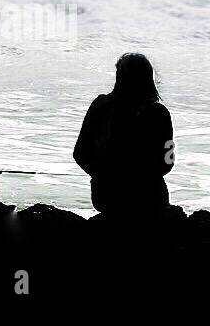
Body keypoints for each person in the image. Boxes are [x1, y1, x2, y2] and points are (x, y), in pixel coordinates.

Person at [73, 53, 175, 215]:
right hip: (150, 197)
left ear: (119, 77)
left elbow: (80, 153)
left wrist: (102, 175)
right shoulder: (159, 113)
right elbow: (167, 162)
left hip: (106, 196)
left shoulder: (100, 106)